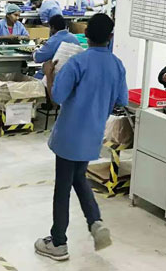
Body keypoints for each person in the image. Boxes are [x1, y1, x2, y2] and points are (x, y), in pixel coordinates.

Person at [35, 13, 124, 262]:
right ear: (110, 37)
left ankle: (58, 242)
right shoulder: (117, 65)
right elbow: (122, 99)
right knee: (78, 177)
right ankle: (95, 221)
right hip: (93, 133)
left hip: (69, 134)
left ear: (85, 34)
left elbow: (57, 97)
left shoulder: (77, 62)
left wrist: (49, 73)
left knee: (62, 187)